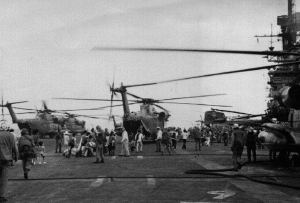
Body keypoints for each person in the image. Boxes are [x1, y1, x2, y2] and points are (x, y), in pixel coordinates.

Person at [0, 129, 18, 202]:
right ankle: (1, 196)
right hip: (6, 159)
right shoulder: (10, 135)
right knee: (4, 178)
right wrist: (16, 156)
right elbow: (14, 147)